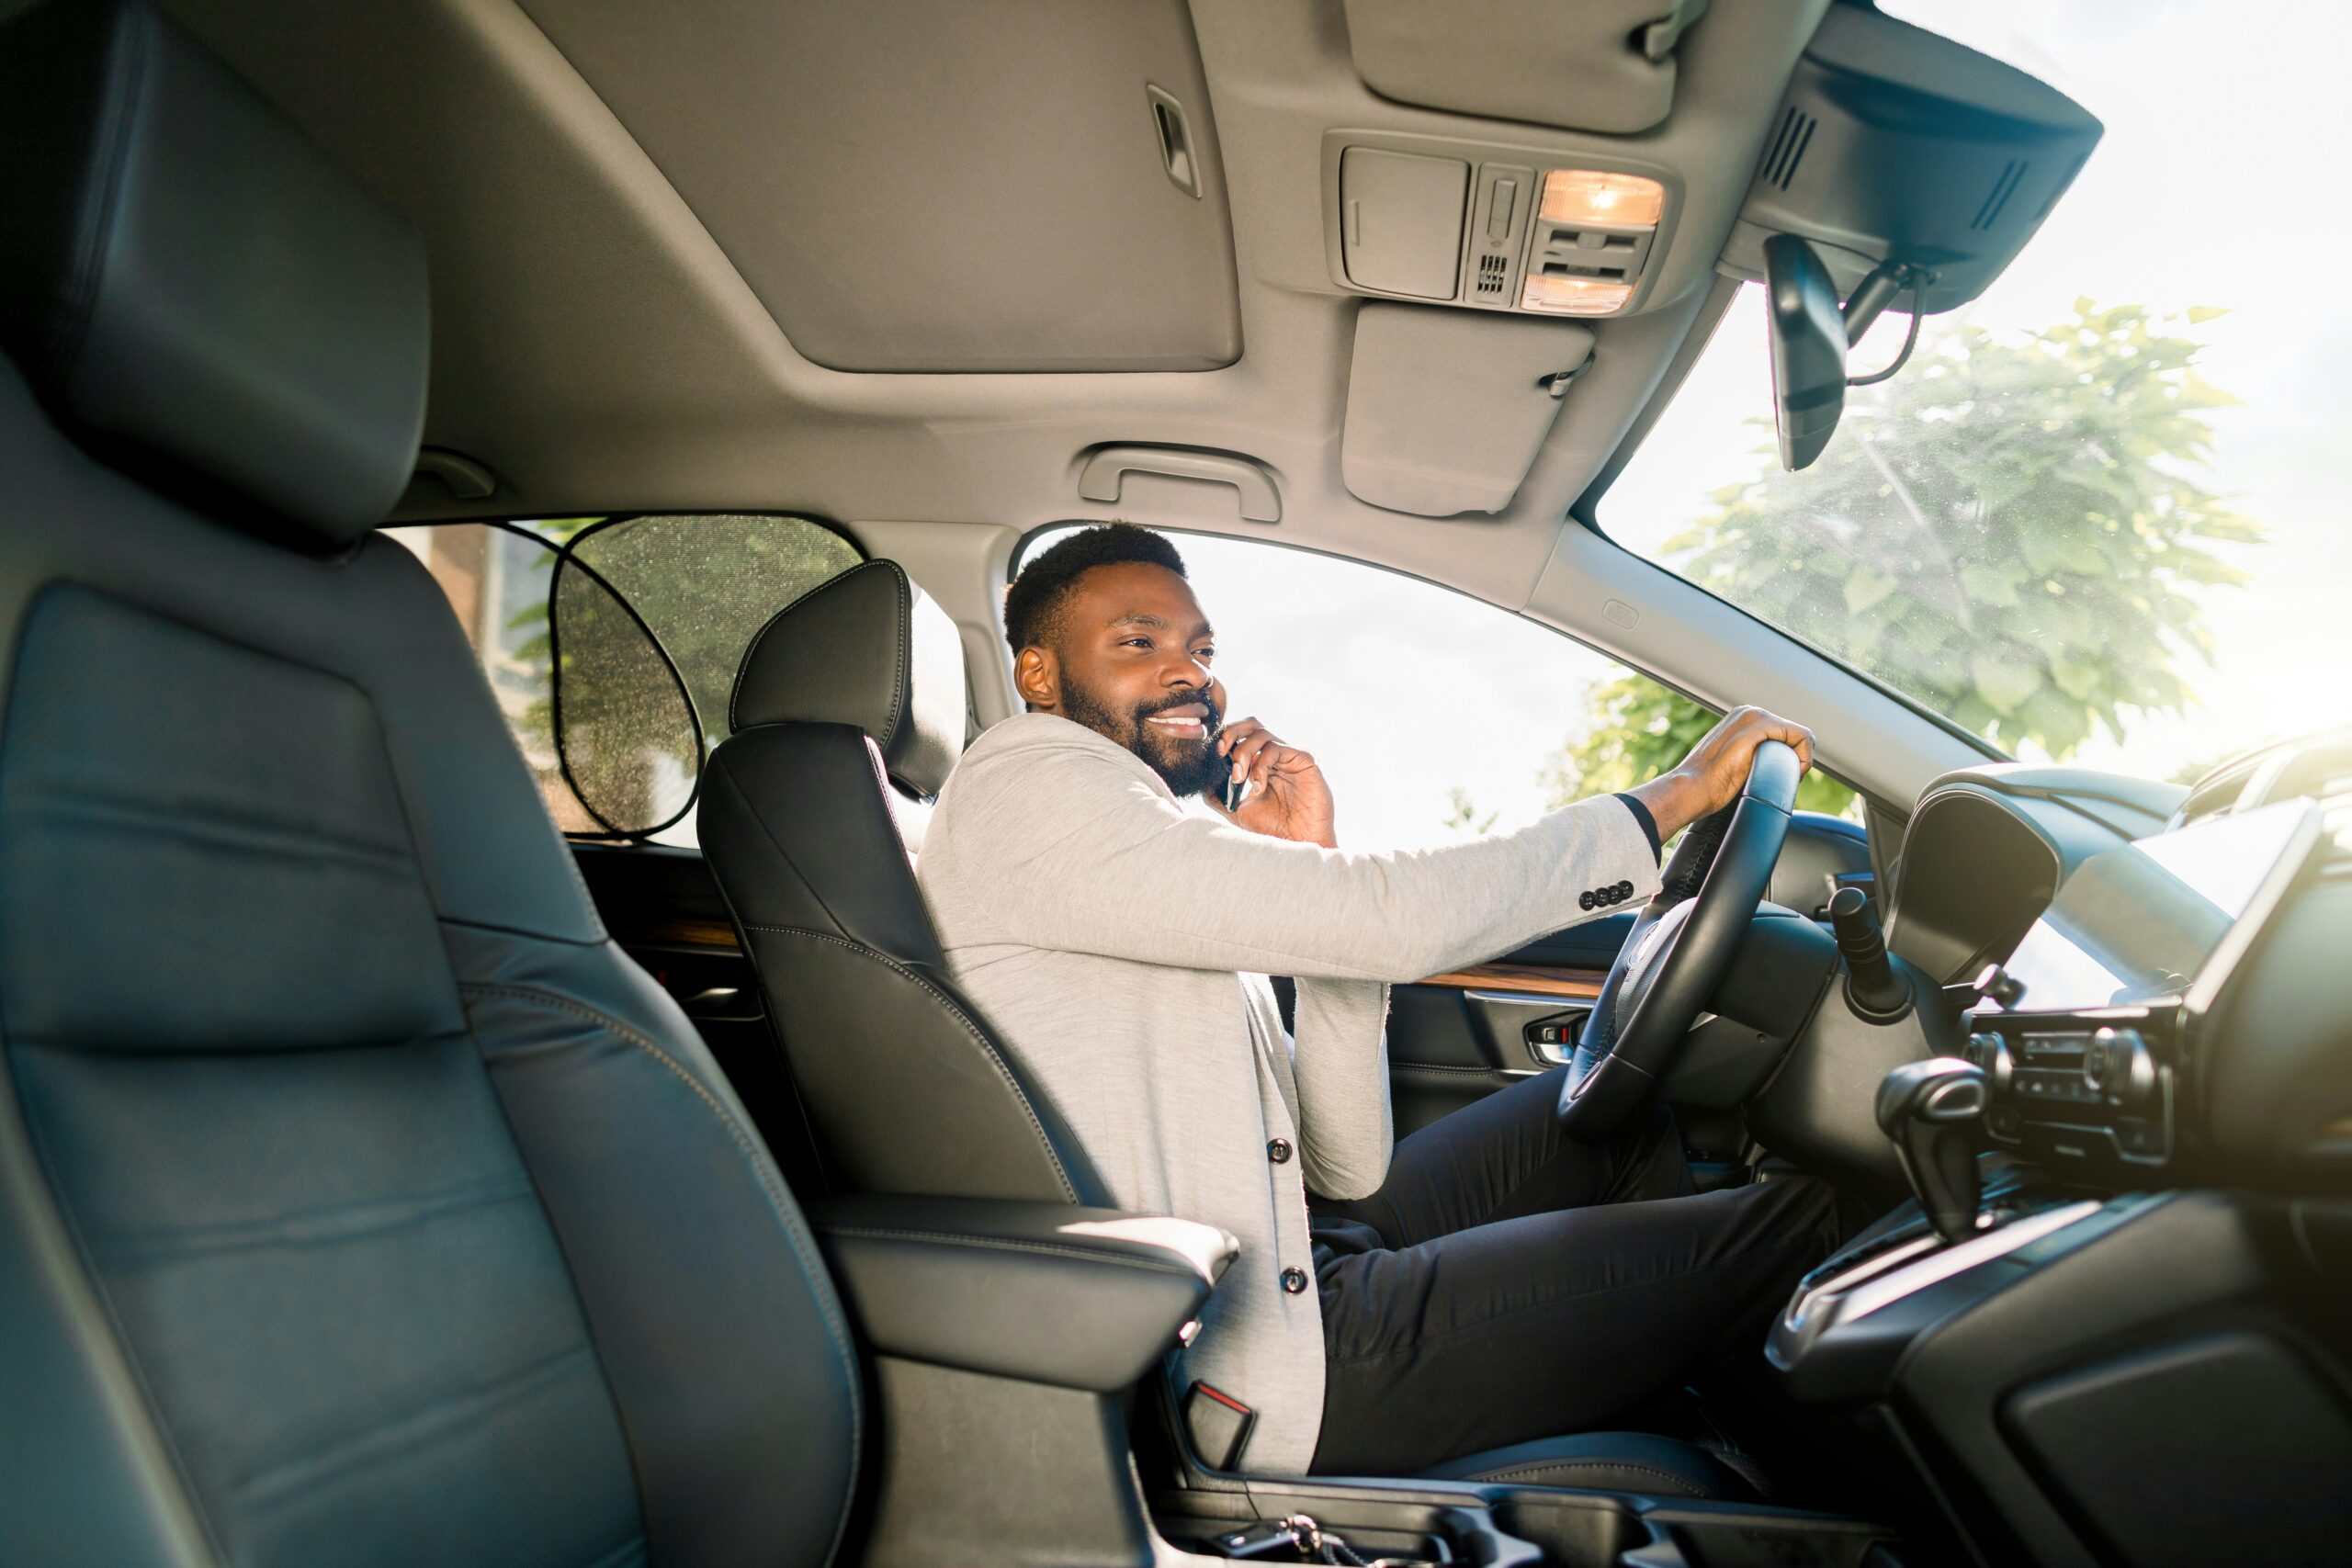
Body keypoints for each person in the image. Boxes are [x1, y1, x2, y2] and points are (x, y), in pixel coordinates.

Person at [916, 524, 1840, 1478]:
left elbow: (1346, 1167)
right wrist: (1678, 793)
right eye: (1138, 643)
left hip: (1285, 1247)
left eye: (1200, 648)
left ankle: (1652, 1382)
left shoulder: (1133, 839)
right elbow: (1393, 916)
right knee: (1791, 1229)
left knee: (1610, 1122)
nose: (1188, 673)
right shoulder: (1030, 782)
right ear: (1036, 674)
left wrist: (1308, 875)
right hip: (1249, 1364)